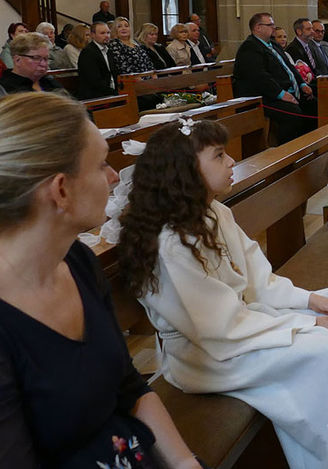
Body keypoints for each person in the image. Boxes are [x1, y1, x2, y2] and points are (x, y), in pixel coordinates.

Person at [118, 119, 328, 469]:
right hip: (204, 354)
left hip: (243, 323)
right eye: (219, 156)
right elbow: (218, 327)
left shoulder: (215, 211)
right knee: (326, 352)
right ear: (184, 170)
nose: (232, 162)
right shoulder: (170, 244)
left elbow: (258, 280)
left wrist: (308, 302)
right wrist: (304, 327)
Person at [0, 92, 201, 468]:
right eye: (101, 165)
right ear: (60, 190)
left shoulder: (77, 260)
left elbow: (129, 386)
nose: (112, 177)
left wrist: (186, 463)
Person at [233, 12, 317, 143]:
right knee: (292, 113)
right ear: (258, 28)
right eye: (270, 24)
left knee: (314, 102)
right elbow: (260, 77)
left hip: (284, 90)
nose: (274, 27)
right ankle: (285, 153)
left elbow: (289, 67)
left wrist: (302, 84)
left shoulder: (273, 45)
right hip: (264, 97)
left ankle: (308, 145)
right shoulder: (249, 47)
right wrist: (281, 94)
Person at [0, 33, 66, 94]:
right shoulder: (5, 88)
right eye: (36, 58)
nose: (43, 64)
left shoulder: (49, 81)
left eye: (46, 59)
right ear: (17, 60)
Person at [77, 21, 118, 100]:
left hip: (110, 93)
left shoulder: (109, 51)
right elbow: (94, 81)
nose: (107, 36)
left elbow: (114, 73)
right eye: (102, 33)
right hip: (95, 96)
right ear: (92, 35)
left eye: (108, 33)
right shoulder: (88, 52)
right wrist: (114, 93)